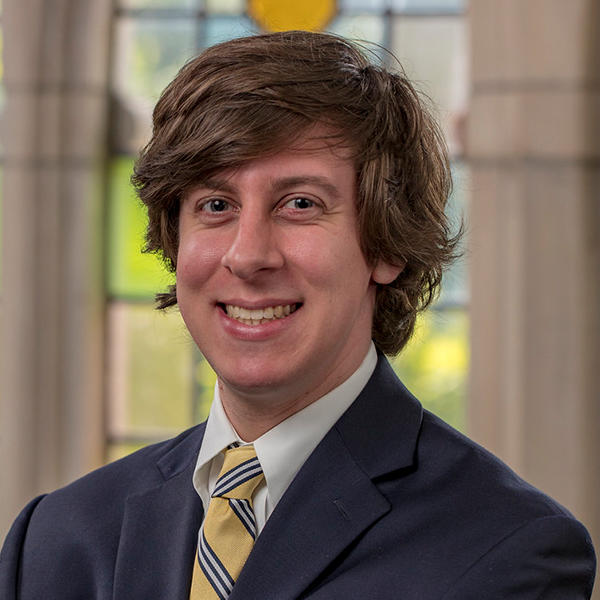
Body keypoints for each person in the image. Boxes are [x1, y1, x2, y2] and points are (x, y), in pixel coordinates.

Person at [0, 30, 596, 599]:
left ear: (385, 245)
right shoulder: (54, 540)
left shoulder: (506, 551)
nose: (248, 255)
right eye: (215, 204)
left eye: (300, 203)